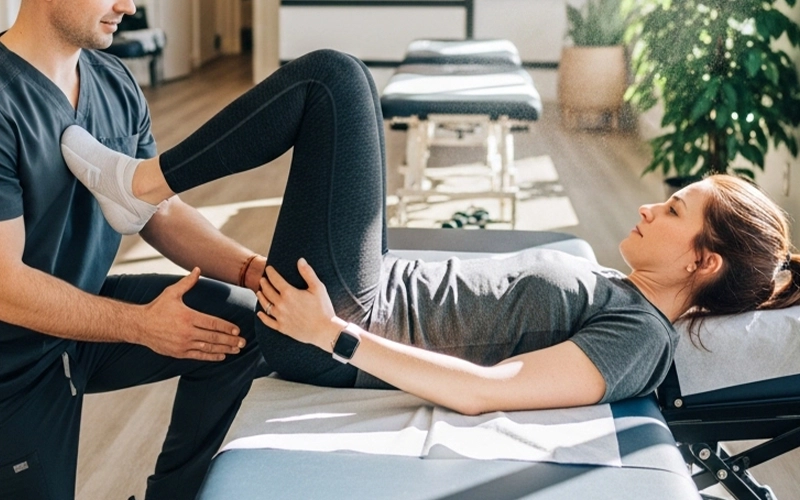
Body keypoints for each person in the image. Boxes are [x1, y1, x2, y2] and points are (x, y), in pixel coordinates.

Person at [61, 49, 800, 416]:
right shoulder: (620, 288)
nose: (648, 207)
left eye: (672, 210)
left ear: (704, 261)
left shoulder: (639, 337)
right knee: (145, 314)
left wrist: (331, 335)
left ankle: (140, 186)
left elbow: (487, 391)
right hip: (352, 293)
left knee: (336, 83)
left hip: (352, 314)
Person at [0, 1, 267, 499]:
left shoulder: (114, 80)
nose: (130, 5)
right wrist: (142, 325)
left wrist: (256, 273)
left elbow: (157, 212)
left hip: (80, 318)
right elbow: (5, 288)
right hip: (11, 361)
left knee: (243, 326)